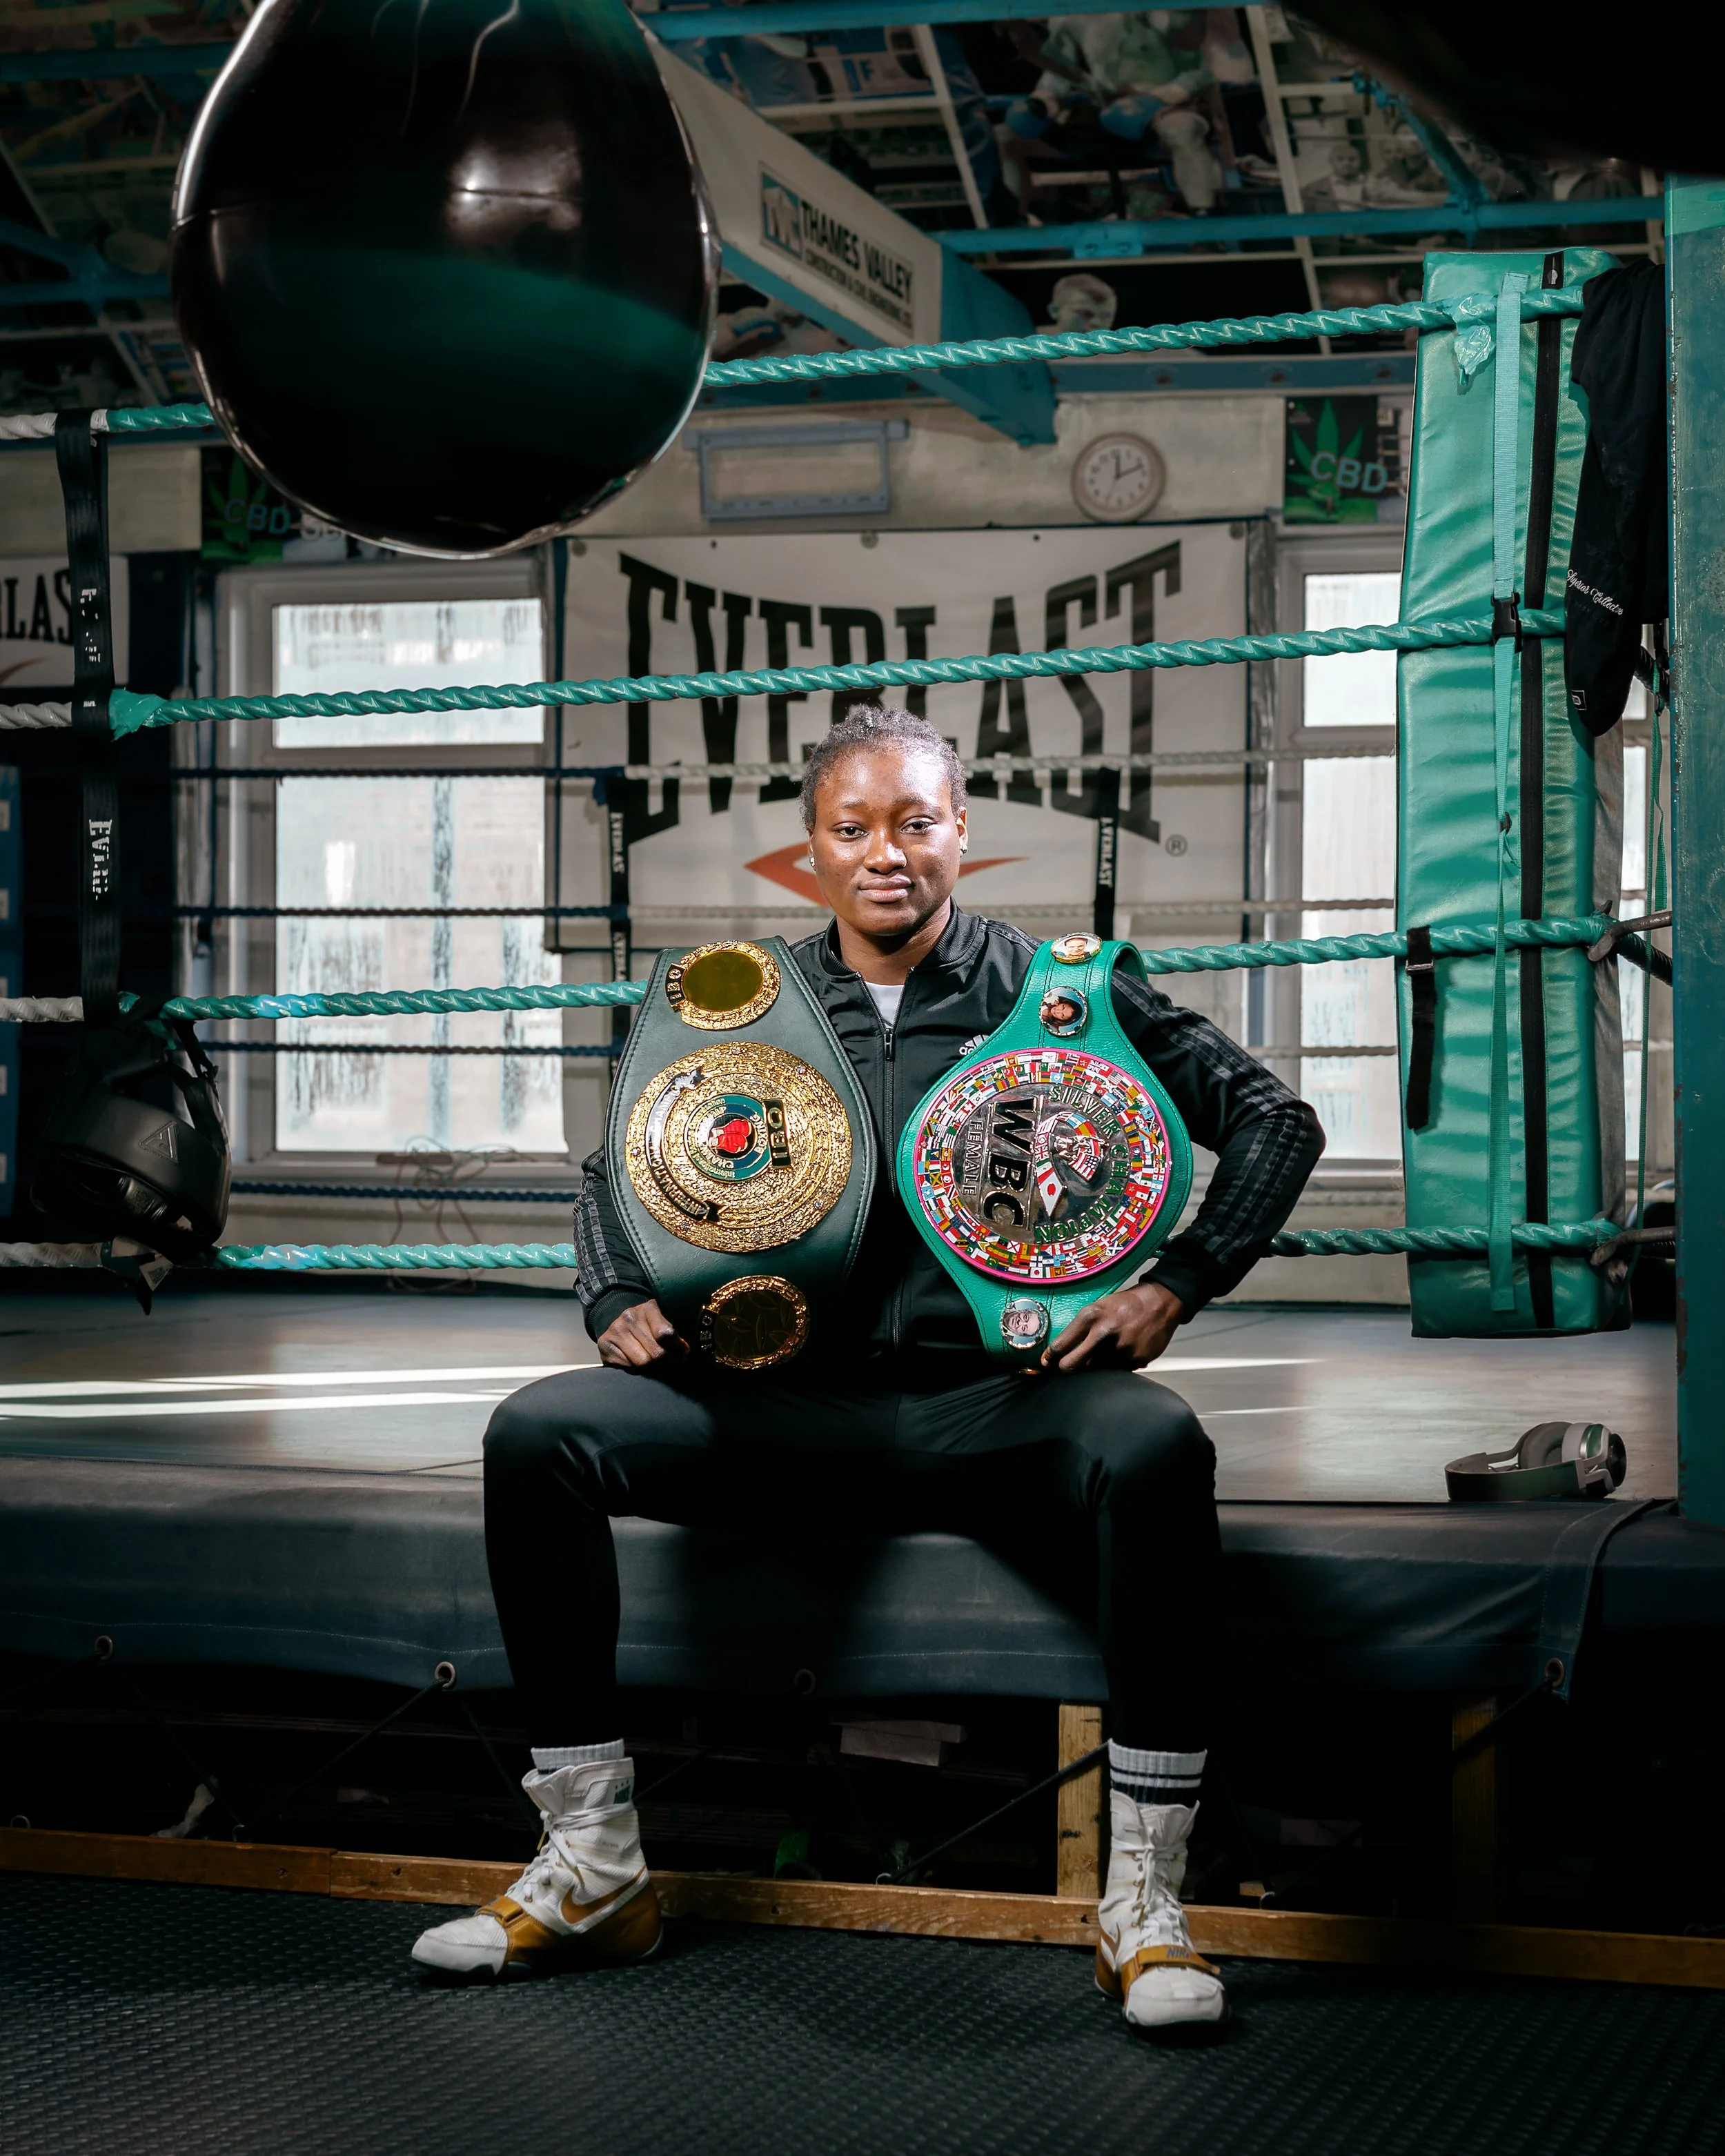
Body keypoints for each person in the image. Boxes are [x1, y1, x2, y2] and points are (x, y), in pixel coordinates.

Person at [413, 705, 1325, 2030]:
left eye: (916, 823)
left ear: (962, 835)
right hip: (782, 1403)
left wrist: (1181, 1281)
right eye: (855, 828)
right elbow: (621, 1159)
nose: (886, 853)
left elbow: (1273, 1120)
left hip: (1001, 1404)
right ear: (811, 850)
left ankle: (1144, 1899)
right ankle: (596, 1869)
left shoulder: (1059, 988)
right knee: (534, 1435)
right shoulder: (750, 1001)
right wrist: (612, 1290)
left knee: (1161, 1445)